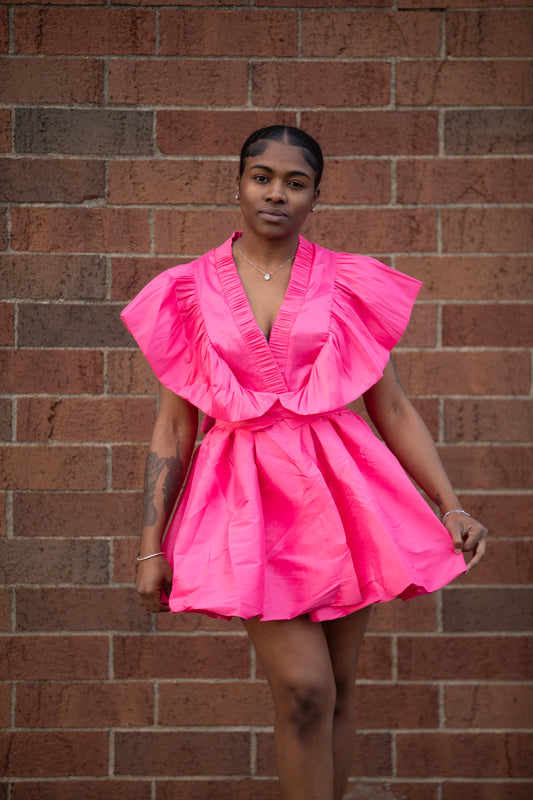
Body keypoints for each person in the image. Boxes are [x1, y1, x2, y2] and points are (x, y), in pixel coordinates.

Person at [121, 125, 487, 800]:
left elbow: (394, 408)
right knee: (303, 688)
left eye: (295, 182)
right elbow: (175, 425)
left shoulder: (347, 281)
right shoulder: (186, 290)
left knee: (338, 690)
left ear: (315, 196)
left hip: (344, 493)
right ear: (238, 184)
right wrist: (151, 544)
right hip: (245, 499)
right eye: (261, 177)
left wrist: (449, 502)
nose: (276, 193)